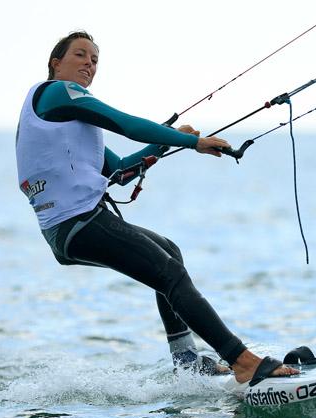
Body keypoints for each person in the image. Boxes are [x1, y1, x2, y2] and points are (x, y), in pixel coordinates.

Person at [15, 30, 298, 384]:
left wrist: (165, 144)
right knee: (170, 276)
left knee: (169, 252)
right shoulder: (58, 93)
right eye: (80, 55)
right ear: (56, 63)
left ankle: (187, 361)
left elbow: (119, 171)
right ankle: (243, 361)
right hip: (78, 222)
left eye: (95, 59)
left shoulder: (66, 125)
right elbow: (128, 124)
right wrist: (191, 141)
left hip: (68, 230)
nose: (89, 63)